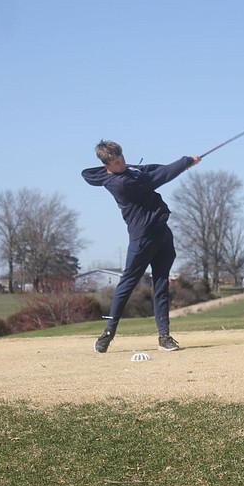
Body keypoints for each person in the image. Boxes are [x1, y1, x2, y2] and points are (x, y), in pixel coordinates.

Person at [82, 140, 201, 353]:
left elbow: (153, 169)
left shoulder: (129, 171)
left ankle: (164, 337)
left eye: (123, 159)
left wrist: (183, 165)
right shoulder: (120, 184)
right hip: (142, 238)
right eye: (117, 163)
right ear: (107, 165)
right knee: (126, 284)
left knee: (162, 284)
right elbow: (157, 177)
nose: (123, 164)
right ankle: (108, 332)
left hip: (162, 232)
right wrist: (185, 162)